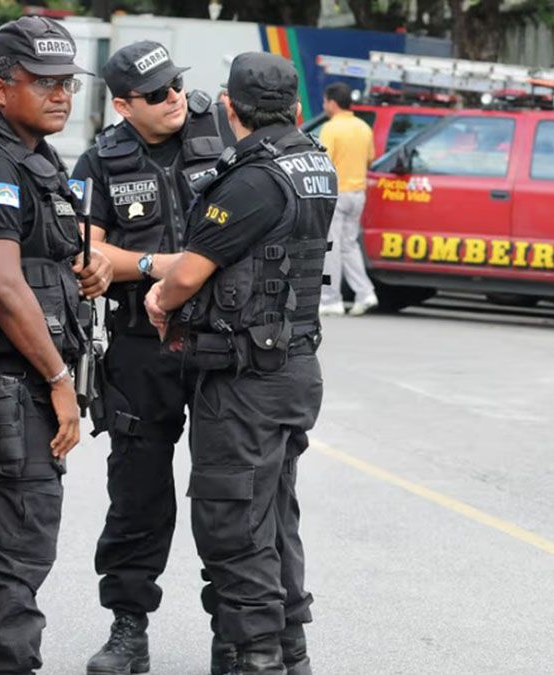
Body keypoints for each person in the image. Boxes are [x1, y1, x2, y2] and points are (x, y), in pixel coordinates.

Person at [145, 51, 334, 675]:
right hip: (294, 366)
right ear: (297, 107)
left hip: (247, 377)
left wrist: (157, 298)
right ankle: (288, 652)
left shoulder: (253, 178)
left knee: (235, 525)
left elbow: (190, 273)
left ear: (229, 108)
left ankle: (256, 658)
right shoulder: (314, 163)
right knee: (274, 515)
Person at [0, 16, 111, 674]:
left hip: (12, 385)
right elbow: (5, 288)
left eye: (67, 82)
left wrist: (79, 271)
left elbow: (35, 267)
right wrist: (61, 381)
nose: (61, 94)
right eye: (45, 83)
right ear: (3, 88)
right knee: (14, 554)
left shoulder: (35, 158)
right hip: (11, 387)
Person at [70, 41, 229, 675]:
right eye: (156, 94)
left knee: (228, 491)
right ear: (122, 105)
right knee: (137, 491)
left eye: (174, 87)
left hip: (220, 341)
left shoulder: (221, 130)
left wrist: (141, 267)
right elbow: (87, 257)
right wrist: (176, 267)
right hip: (140, 347)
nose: (172, 101)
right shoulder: (100, 160)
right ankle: (128, 628)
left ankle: (238, 630)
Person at [317, 81, 377, 317]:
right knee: (349, 245)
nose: (324, 105)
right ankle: (365, 293)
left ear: (332, 103)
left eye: (324, 101)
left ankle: (331, 299)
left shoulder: (331, 128)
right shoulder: (363, 127)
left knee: (331, 246)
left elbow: (323, 160)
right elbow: (370, 158)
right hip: (357, 193)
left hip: (337, 194)